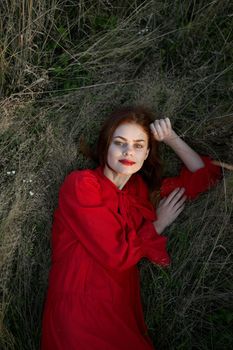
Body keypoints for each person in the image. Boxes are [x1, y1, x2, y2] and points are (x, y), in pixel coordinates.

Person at [40, 106, 221, 350]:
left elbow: (206, 177)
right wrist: (157, 225)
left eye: (138, 145)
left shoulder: (140, 195)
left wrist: (171, 138)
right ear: (106, 146)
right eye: (120, 143)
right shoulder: (82, 185)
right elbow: (117, 254)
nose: (128, 151)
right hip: (78, 314)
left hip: (121, 314)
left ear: (146, 153)